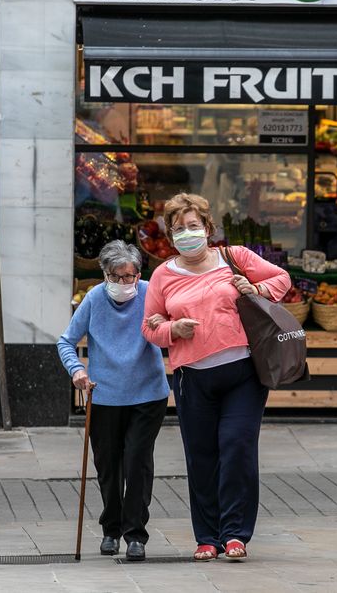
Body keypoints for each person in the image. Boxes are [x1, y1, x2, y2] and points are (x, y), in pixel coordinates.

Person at [141, 193, 292, 561]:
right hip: (194, 379)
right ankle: (207, 537)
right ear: (171, 234)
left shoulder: (233, 257)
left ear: (208, 229)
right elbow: (150, 326)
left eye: (194, 226)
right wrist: (174, 329)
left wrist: (255, 288)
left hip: (243, 373)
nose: (187, 234)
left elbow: (282, 279)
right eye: (179, 229)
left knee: (237, 448)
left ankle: (236, 534)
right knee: (201, 456)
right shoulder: (163, 275)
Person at [56, 240, 170, 561]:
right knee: (108, 466)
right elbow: (66, 341)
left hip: (148, 395)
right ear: (105, 274)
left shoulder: (150, 293)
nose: (124, 283)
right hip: (104, 395)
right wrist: (77, 370)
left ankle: (135, 534)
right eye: (116, 277)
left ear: (138, 273)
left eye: (129, 276)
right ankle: (111, 528)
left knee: (137, 462)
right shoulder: (93, 299)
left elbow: (173, 322)